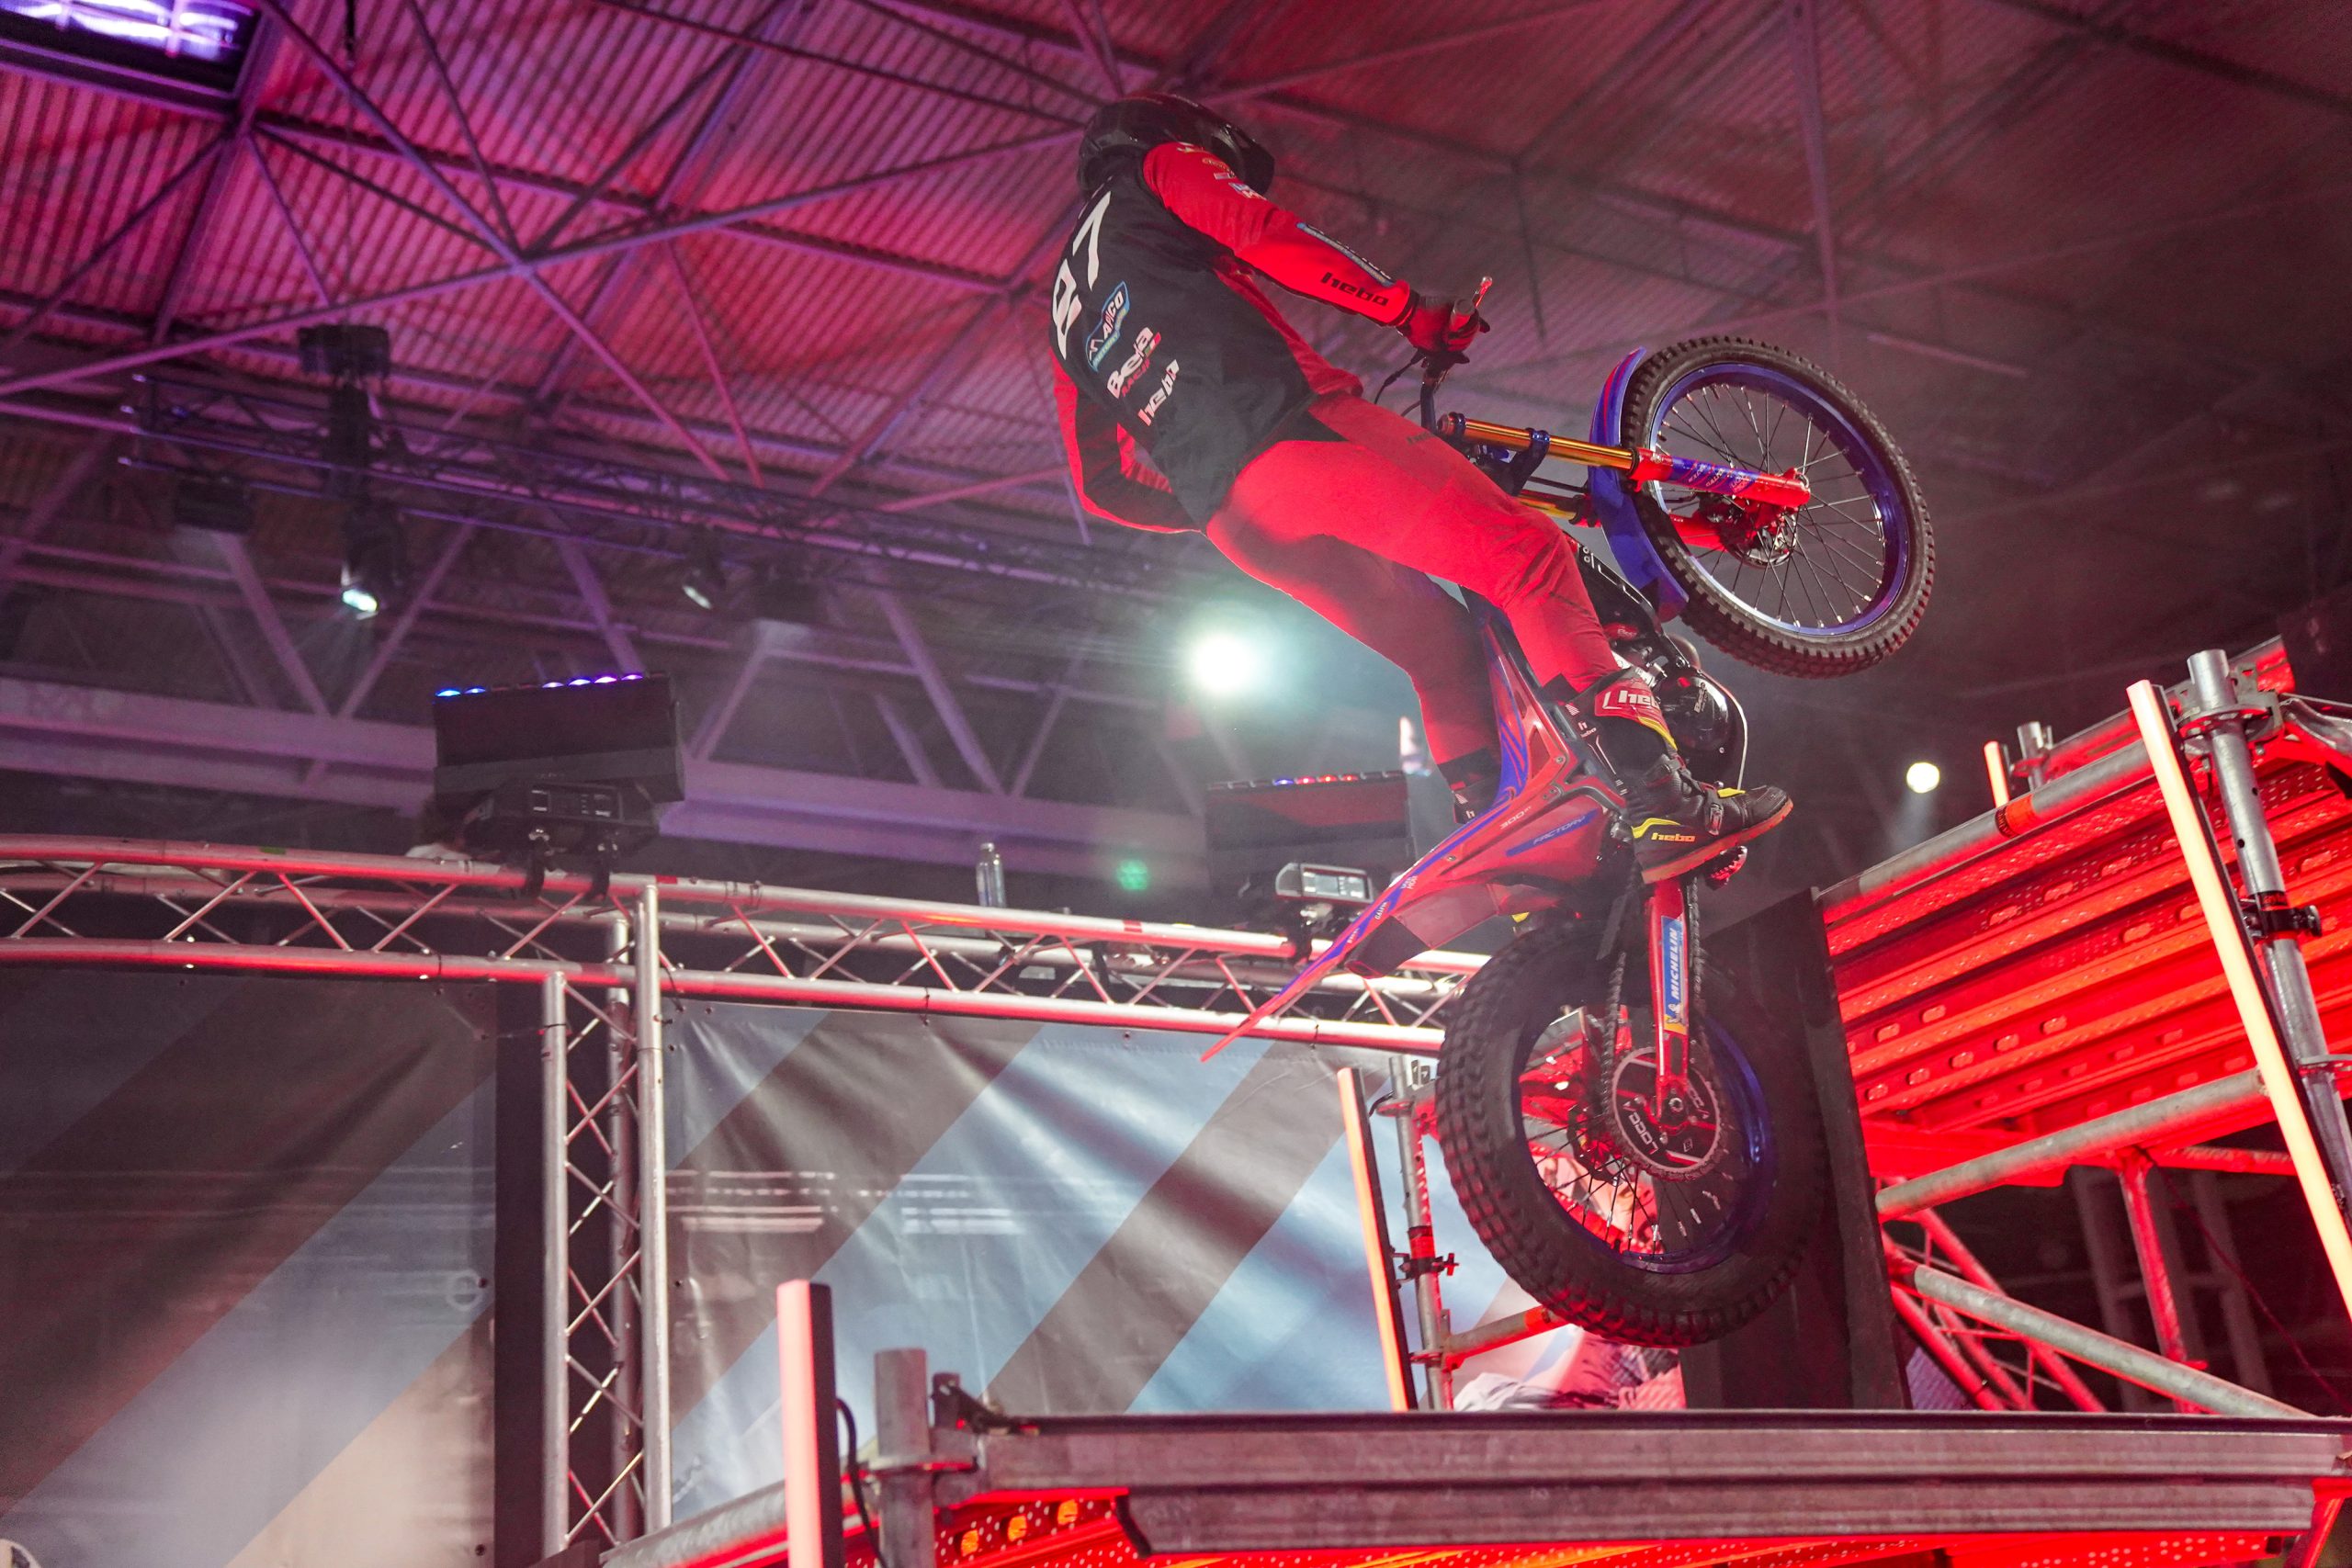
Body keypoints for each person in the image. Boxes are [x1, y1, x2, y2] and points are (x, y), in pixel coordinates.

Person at [1047, 93, 1788, 883]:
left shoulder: (1063, 307)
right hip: (1300, 432)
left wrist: (1216, 498)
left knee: (1441, 654)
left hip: (1239, 521)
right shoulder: (1158, 168)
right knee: (1530, 557)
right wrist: (1406, 309)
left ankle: (1511, 864)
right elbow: (1266, 234)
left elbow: (1101, 484)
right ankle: (1664, 801)